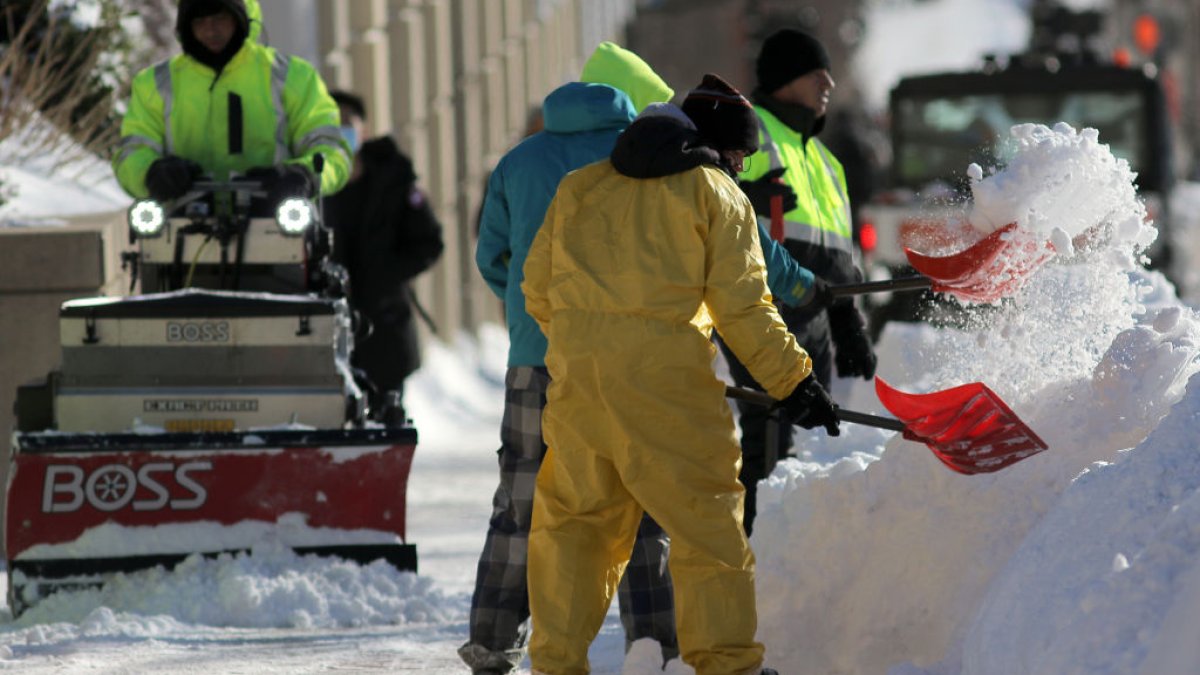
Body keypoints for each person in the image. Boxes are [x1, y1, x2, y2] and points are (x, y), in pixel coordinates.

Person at [521, 74, 840, 675]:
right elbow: (745, 308)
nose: (742, 166)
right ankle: (727, 665)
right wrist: (795, 383)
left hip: (580, 389)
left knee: (574, 529)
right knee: (708, 531)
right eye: (741, 155)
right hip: (668, 390)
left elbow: (537, 288)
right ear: (718, 147)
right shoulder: (714, 194)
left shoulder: (581, 187)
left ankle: (555, 665)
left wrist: (592, 343)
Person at [463, 43, 679, 675]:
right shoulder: (645, 161)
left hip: (539, 359)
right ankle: (655, 646)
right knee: (642, 499)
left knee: (523, 502)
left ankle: (493, 644)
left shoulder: (518, 161)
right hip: (632, 362)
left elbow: (491, 257)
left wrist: (538, 310)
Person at [726, 28, 879, 535]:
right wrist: (744, 190)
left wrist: (849, 321)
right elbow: (712, 203)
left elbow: (842, 254)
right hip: (765, 311)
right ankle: (755, 567)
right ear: (787, 79)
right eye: (817, 72)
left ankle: (784, 564)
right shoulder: (749, 130)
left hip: (815, 317)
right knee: (766, 438)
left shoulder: (827, 160)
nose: (829, 82)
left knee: (790, 446)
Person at [112, 0, 350, 207]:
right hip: (179, 230)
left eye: (220, 17)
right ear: (185, 25)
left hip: (277, 228)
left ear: (240, 16)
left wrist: (303, 174)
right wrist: (151, 173)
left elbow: (331, 151)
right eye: (199, 21)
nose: (210, 30)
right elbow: (132, 153)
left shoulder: (293, 77)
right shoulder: (154, 83)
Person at [322, 90, 444, 421]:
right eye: (332, 122)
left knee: (385, 420)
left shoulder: (394, 177)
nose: (341, 130)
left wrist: (387, 273)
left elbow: (429, 242)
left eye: (348, 122)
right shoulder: (309, 181)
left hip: (383, 323)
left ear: (364, 127)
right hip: (325, 325)